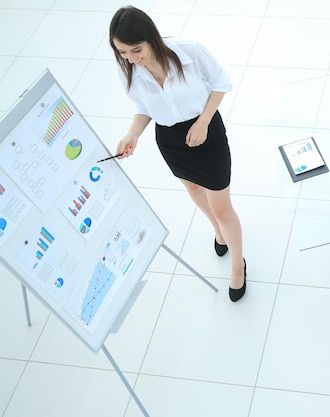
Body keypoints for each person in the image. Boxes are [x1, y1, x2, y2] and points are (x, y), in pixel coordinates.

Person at [109, 6, 246, 302]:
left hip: (205, 130)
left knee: (223, 207)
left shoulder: (189, 51)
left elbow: (221, 84)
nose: (131, 59)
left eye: (136, 50)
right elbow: (144, 107)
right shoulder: (128, 69)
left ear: (151, 37)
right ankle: (217, 231)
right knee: (195, 190)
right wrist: (132, 133)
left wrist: (203, 122)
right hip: (170, 139)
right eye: (122, 52)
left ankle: (238, 266)